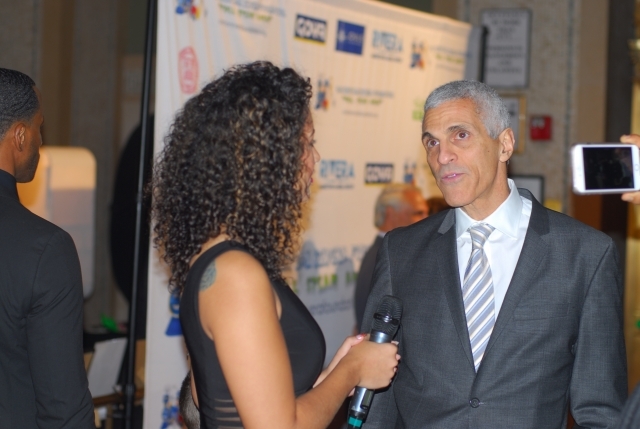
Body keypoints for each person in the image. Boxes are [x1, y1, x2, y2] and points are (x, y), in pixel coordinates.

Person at [361, 80, 627, 428]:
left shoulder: (584, 254)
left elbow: (601, 412)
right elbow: (376, 400)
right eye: (432, 142)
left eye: (460, 135)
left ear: (504, 144)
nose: (442, 156)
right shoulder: (401, 251)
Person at [151, 61, 399, 429]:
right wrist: (351, 369)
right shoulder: (235, 274)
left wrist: (335, 373)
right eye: (307, 142)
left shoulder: (217, 261)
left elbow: (241, 400)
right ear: (265, 157)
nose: (315, 158)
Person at [0, 68, 95, 427]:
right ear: (20, 135)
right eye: (39, 126)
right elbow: (63, 408)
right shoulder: (45, 249)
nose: (41, 139)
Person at [354, 183, 428, 331]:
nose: (427, 220)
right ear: (391, 214)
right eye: (418, 213)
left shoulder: (386, 254)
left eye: (427, 213)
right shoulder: (385, 259)